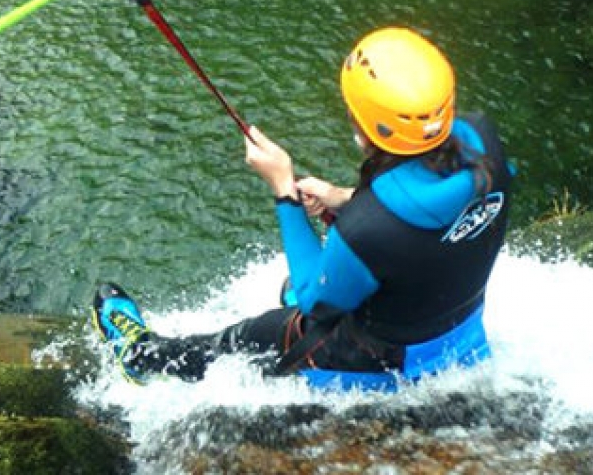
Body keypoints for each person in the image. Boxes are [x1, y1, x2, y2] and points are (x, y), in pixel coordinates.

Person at [92, 27, 514, 390]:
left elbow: (316, 301)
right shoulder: (484, 142)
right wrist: (337, 196)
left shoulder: (368, 229)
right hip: (458, 331)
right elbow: (425, 229)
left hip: (380, 360)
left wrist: (284, 190)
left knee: (254, 333)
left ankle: (140, 356)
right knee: (322, 281)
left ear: (364, 126)